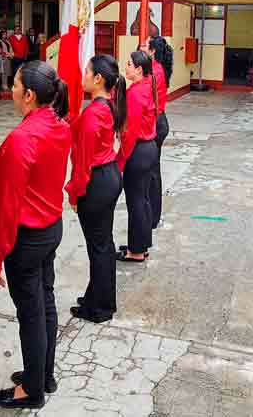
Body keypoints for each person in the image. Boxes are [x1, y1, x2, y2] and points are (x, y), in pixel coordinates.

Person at [0, 61, 71, 410]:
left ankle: (31, 391)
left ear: (29, 94)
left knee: (32, 315)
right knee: (45, 304)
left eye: (16, 83)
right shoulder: (59, 126)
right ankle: (42, 374)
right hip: (51, 228)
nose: (12, 88)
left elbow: (8, 206)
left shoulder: (22, 138)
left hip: (28, 236)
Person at [66, 55, 127, 324]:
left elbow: (83, 163)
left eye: (87, 71)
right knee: (103, 244)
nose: (84, 75)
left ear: (98, 79)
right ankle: (98, 297)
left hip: (97, 181)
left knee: (99, 247)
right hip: (108, 176)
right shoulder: (104, 107)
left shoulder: (94, 113)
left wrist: (74, 193)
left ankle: (100, 308)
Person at [117, 51, 159, 263]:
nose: (126, 67)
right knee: (142, 200)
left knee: (136, 202)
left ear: (139, 70)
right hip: (148, 148)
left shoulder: (136, 93)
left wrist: (120, 159)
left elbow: (130, 131)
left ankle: (137, 251)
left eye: (128, 64)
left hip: (139, 150)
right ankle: (140, 245)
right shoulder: (145, 86)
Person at [144, 36, 173, 230]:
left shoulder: (154, 71)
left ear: (152, 51)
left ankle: (153, 216)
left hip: (156, 123)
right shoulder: (157, 69)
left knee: (152, 173)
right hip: (158, 121)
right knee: (153, 171)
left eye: (145, 45)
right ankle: (153, 215)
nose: (141, 46)